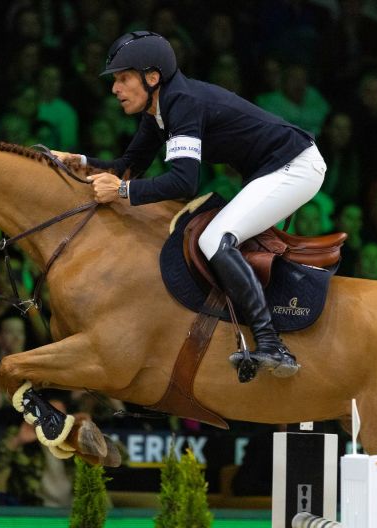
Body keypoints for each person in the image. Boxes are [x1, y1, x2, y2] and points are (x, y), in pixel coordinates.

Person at [53, 31, 327, 379]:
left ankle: (272, 343)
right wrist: (75, 161)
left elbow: (184, 182)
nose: (115, 89)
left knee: (214, 239)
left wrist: (123, 193)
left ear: (152, 78)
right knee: (215, 235)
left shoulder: (182, 103)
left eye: (123, 79)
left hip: (296, 166)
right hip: (272, 168)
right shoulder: (159, 110)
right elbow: (129, 165)